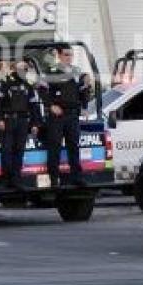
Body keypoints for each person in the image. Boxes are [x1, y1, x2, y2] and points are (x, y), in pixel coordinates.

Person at [40, 45, 90, 187]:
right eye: (67, 55)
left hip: (72, 114)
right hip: (57, 115)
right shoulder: (51, 71)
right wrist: (50, 105)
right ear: (60, 56)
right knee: (54, 146)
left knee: (73, 146)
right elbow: (42, 90)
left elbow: (83, 90)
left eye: (71, 55)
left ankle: (76, 177)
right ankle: (54, 179)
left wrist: (84, 107)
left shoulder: (76, 72)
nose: (69, 57)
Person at [0, 60, 42, 190]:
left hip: (22, 122)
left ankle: (16, 179)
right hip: (8, 121)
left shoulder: (28, 85)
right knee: (7, 151)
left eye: (26, 69)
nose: (24, 71)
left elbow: (33, 106)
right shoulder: (6, 83)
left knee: (19, 151)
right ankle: (6, 180)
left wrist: (35, 123)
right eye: (21, 68)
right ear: (15, 69)